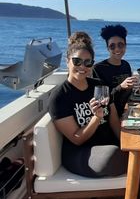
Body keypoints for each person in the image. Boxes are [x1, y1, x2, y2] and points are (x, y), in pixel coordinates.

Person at [49, 32, 128, 178]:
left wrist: (126, 142)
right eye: (77, 61)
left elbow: (114, 121)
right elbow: (77, 139)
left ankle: (135, 196)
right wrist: (96, 118)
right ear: (67, 61)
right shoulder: (60, 97)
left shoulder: (99, 87)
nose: (82, 67)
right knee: (112, 155)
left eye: (88, 62)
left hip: (109, 143)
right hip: (82, 152)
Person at [93, 24, 138, 117]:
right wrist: (120, 87)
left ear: (125, 46)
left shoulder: (126, 65)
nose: (117, 49)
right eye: (112, 46)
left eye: (120, 45)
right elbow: (101, 101)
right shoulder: (98, 68)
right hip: (109, 116)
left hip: (128, 111)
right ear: (107, 48)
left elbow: (128, 92)